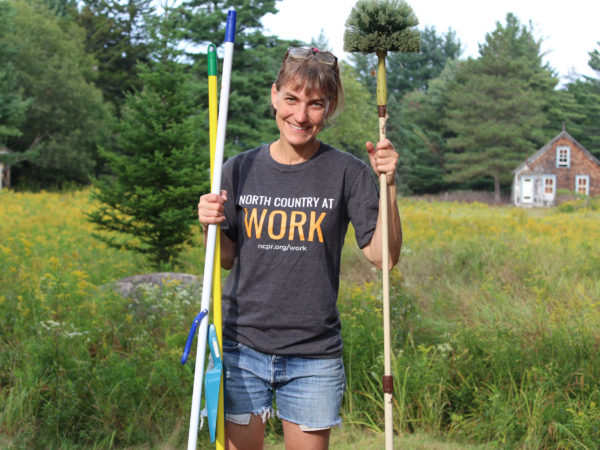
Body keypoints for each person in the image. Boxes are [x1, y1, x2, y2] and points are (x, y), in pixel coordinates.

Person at [197, 47, 402, 450]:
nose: (301, 115)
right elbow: (224, 259)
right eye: (291, 99)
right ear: (274, 96)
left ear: (329, 108)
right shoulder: (238, 169)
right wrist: (209, 225)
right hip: (242, 347)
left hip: (314, 355)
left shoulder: (348, 173)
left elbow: (385, 256)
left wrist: (390, 185)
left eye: (315, 104)